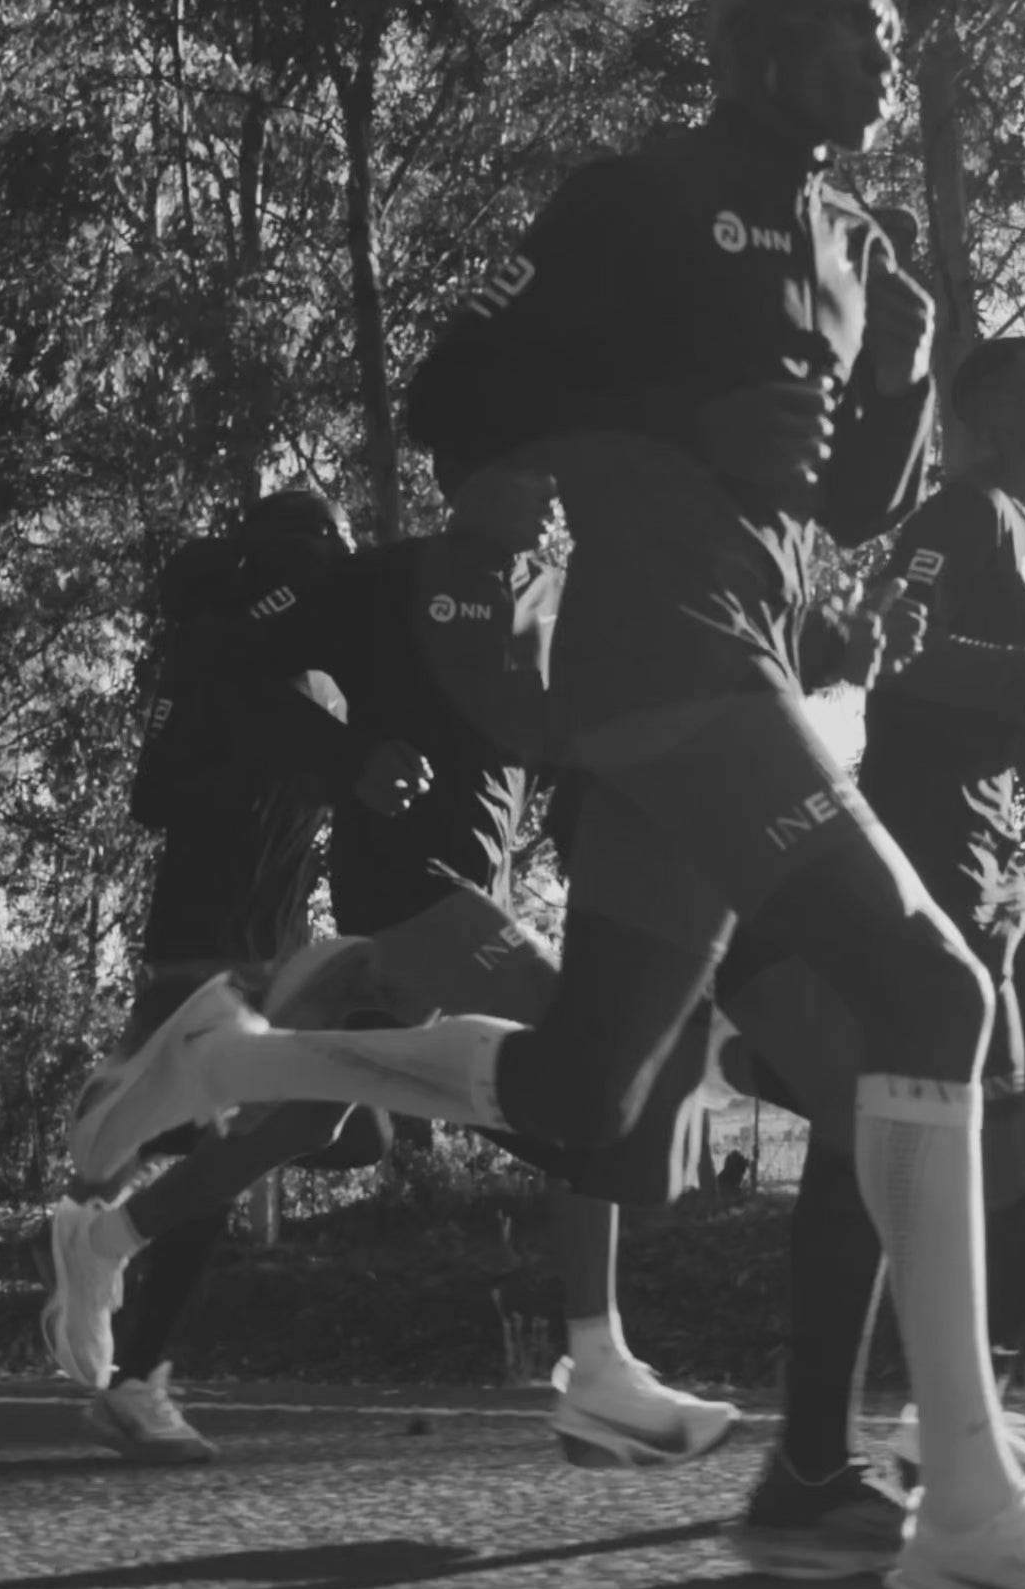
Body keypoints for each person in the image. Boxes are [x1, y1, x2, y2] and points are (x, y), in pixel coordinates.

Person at [67, 0, 1025, 1589]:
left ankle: (236, 1057)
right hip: (642, 639)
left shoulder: (867, 259)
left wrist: (883, 442)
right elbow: (460, 400)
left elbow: (837, 506)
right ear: (757, 47)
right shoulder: (644, 198)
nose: (881, 55)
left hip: (743, 649)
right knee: (931, 997)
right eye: (851, 28)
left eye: (892, 36)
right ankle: (970, 1512)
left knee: (585, 1091)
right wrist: (686, 417)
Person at [46, 462, 742, 1471]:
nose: (547, 488)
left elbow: (559, 743)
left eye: (554, 470)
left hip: (471, 893)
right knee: (588, 1068)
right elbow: (222, 664)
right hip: (404, 881)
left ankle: (111, 1235)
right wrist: (348, 762)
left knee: (312, 1124)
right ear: (468, 473)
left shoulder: (552, 594)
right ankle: (599, 1366)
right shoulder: (388, 578)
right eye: (523, 465)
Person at [39, 487, 370, 1463]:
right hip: (203, 943)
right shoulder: (231, 668)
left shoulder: (316, 679)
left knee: (350, 1135)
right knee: (236, 1152)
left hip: (279, 948)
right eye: (326, 553)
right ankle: (134, 1376)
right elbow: (152, 796)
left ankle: (108, 1167)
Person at [858, 334, 1025, 1474]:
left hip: (1004, 862)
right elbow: (894, 656)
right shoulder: (954, 516)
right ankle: (943, 1422)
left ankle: (956, 1419)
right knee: (984, 1148)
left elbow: (990, 707)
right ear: (1002, 414)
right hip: (930, 849)